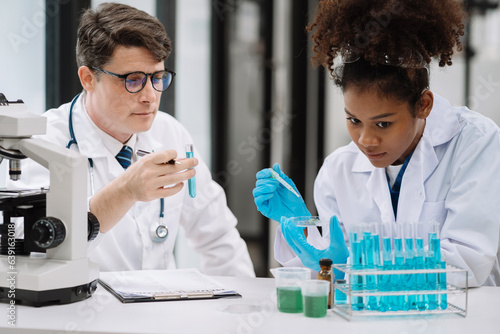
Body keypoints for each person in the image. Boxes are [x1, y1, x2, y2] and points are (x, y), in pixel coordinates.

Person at [253, 0, 500, 287]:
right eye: (354, 120)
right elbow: (328, 277)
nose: (365, 140)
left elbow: (466, 264)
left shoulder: (474, 143)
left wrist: (356, 263)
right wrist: (302, 229)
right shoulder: (338, 170)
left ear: (423, 105)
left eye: (383, 124)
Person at [7, 2, 255, 277]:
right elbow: (33, 253)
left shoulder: (169, 132)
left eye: (158, 78)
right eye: (133, 80)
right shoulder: (43, 145)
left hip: (158, 311)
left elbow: (218, 239)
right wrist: (125, 191)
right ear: (88, 79)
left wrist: (242, 312)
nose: (150, 95)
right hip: (80, 312)